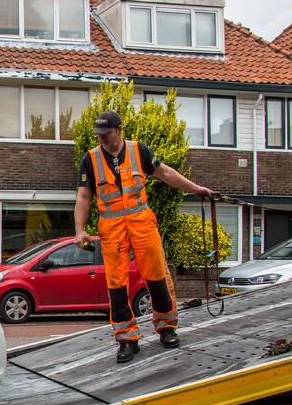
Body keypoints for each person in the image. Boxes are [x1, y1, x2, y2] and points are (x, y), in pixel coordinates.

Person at [74, 110, 214, 364]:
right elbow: (84, 196)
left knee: (156, 275)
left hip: (142, 222)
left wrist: (196, 189)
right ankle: (127, 339)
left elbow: (166, 173)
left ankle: (167, 327)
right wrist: (80, 230)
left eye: (107, 133)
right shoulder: (91, 159)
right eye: (99, 135)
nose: (102, 138)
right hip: (112, 227)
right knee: (116, 284)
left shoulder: (139, 151)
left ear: (119, 129)